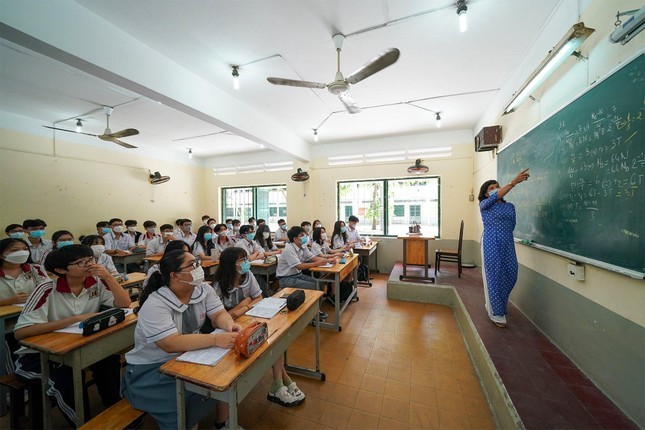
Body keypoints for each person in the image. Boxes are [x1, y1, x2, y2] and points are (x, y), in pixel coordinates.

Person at [121, 250, 241, 429]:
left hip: (188, 357)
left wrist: (229, 325)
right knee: (184, 403)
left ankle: (223, 422)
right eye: (192, 265)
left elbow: (218, 314)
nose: (198, 268)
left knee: (224, 377)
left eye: (197, 263)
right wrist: (215, 340)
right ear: (174, 275)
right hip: (152, 369)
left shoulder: (203, 289)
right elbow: (170, 343)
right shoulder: (156, 303)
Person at [14, 245, 130, 426]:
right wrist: (76, 318)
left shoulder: (96, 282)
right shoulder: (46, 289)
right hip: (38, 355)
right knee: (68, 379)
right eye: (81, 262)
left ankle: (115, 411)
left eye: (91, 260)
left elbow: (124, 303)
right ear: (60, 270)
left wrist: (107, 276)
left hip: (77, 345)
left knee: (109, 362)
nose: (89, 265)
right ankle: (83, 424)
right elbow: (21, 332)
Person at [212, 248, 304, 411]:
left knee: (273, 339)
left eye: (246, 259)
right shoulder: (218, 285)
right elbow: (222, 315)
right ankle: (281, 380)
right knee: (267, 343)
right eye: (241, 261)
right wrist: (246, 302)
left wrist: (242, 307)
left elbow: (258, 297)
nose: (246, 263)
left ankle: (279, 382)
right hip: (227, 329)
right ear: (229, 265)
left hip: (246, 318)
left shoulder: (248, 276)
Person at [478, 168, 530, 328]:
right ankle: (496, 312)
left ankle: (497, 304)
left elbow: (511, 224)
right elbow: (497, 196)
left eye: (497, 186)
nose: (496, 189)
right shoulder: (485, 205)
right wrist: (514, 182)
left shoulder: (510, 207)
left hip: (507, 241)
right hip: (491, 241)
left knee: (510, 273)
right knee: (493, 276)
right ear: (486, 194)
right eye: (491, 188)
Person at [0, 238, 49, 372]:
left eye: (25, 249)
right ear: (1, 254)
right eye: (14, 250)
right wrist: (9, 300)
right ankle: (11, 377)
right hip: (6, 322)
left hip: (31, 317)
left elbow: (48, 290)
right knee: (8, 341)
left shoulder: (34, 269)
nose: (21, 253)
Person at [277, 226, 335, 294]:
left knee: (320, 283)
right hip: (286, 278)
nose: (304, 237)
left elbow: (313, 257)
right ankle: (314, 303)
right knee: (314, 286)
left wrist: (328, 260)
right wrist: (318, 263)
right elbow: (299, 266)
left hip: (298, 275)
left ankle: (317, 303)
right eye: (302, 235)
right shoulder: (289, 249)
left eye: (304, 235)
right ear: (295, 238)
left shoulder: (303, 246)